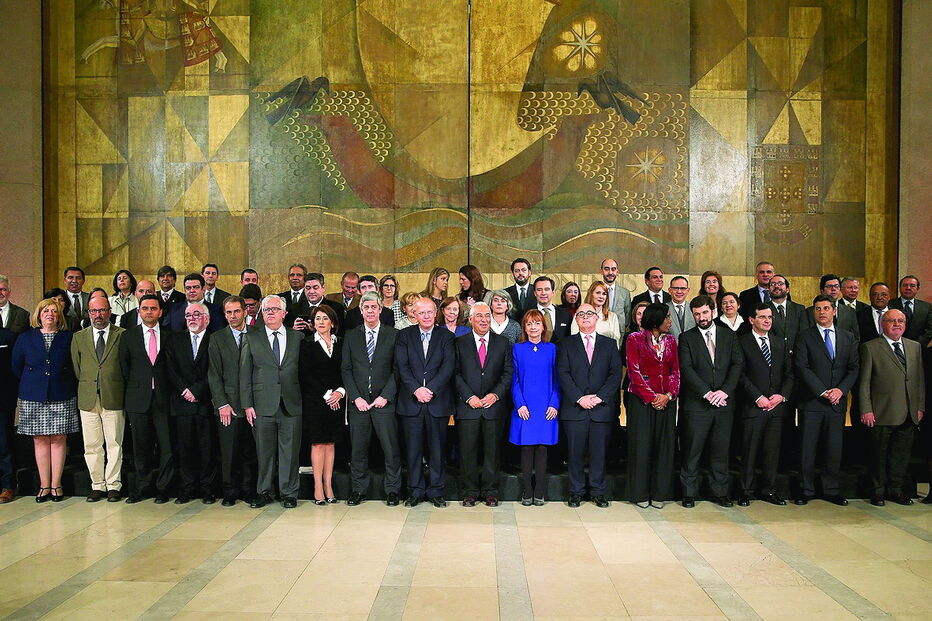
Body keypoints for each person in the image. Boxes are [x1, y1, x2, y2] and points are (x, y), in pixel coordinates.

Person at [678, 295, 744, 508]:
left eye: (705, 312)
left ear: (713, 312)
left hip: (724, 403)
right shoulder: (686, 338)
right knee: (692, 450)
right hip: (697, 405)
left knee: (720, 450)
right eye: (697, 314)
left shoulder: (729, 336)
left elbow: (737, 365)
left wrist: (724, 392)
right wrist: (707, 394)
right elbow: (687, 369)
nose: (701, 317)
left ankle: (720, 492)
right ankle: (689, 493)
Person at [794, 294, 859, 506]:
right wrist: (822, 391)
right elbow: (801, 367)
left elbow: (853, 368)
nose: (822, 312)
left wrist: (840, 390)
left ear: (834, 311)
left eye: (826, 308)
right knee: (807, 447)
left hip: (837, 403)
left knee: (833, 448)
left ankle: (831, 489)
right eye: (818, 309)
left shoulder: (847, 337)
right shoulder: (804, 336)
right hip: (812, 402)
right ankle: (806, 489)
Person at [11, 299, 78, 502]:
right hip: (33, 394)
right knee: (39, 439)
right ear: (39, 315)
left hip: (61, 393)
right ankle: (44, 485)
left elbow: (75, 365)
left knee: (58, 439)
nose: (50, 314)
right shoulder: (25, 338)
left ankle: (56, 485)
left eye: (54, 311)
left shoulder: (68, 338)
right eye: (46, 311)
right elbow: (16, 366)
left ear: (59, 316)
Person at [240, 295, 304, 509]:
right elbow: (245, 373)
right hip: (262, 404)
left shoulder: (297, 338)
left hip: (291, 403)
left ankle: (289, 493)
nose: (270, 313)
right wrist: (247, 404)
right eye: (267, 309)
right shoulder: (251, 337)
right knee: (264, 452)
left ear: (284, 314)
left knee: (290, 451)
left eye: (275, 309)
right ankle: (265, 492)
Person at [557, 303, 622, 508]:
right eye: (581, 314)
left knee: (599, 453)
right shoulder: (565, 344)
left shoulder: (609, 344)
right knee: (574, 453)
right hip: (574, 408)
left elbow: (615, 375)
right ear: (576, 319)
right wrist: (579, 398)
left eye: (590, 314)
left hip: (601, 409)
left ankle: (598, 492)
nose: (585, 317)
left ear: (597, 318)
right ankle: (575, 492)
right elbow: (563, 374)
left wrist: (599, 397)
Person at [859, 308, 925, 506]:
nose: (897, 324)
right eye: (891, 321)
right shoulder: (870, 347)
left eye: (900, 321)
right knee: (878, 455)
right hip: (881, 412)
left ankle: (895, 490)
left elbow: (919, 379)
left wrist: (920, 406)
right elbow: (864, 383)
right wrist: (866, 409)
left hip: (909, 412)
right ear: (882, 324)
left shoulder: (914, 347)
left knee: (901, 455)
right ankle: (878, 491)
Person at [341, 292, 402, 506]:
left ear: (380, 309)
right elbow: (346, 370)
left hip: (384, 403)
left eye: (373, 307)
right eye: (365, 307)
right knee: (358, 449)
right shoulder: (351, 335)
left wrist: (386, 396)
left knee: (390, 449)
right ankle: (358, 489)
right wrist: (355, 397)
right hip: (359, 404)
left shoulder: (393, 335)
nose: (369, 311)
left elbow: (397, 370)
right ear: (361, 310)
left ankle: (393, 490)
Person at [395, 298, 456, 507]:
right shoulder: (404, 336)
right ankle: (415, 490)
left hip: (437, 402)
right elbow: (402, 367)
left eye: (430, 312)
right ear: (414, 314)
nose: (427, 316)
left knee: (437, 449)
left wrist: (430, 390)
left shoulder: (446, 336)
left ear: (436, 312)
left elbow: (448, 367)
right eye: (422, 313)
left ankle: (436, 490)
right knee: (413, 450)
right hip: (411, 402)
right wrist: (416, 389)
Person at [453, 302, 514, 507]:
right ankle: (469, 491)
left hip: (493, 407)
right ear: (470, 319)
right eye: (479, 316)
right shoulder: (459, 343)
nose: (484, 320)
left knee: (492, 452)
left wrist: (495, 395)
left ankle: (490, 491)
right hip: (467, 407)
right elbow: (455, 373)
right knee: (467, 452)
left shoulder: (503, 342)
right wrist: (469, 397)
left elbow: (508, 373)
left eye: (487, 316)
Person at [119, 294, 175, 504]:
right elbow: (125, 368)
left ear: (160, 312)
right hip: (138, 398)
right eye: (145, 308)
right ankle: (143, 487)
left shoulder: (171, 336)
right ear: (139, 311)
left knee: (166, 446)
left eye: (153, 308)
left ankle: (163, 488)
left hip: (164, 398)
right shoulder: (128, 336)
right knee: (141, 446)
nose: (149, 312)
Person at [736, 304, 793, 506]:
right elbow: (740, 374)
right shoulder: (741, 342)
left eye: (769, 317)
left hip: (776, 407)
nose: (767, 320)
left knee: (772, 452)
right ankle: (746, 491)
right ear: (752, 320)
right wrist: (757, 397)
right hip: (752, 406)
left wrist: (781, 396)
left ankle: (768, 490)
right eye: (762, 317)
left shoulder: (780, 343)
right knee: (749, 451)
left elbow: (789, 373)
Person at [70, 296, 126, 502]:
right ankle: (97, 485)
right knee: (92, 445)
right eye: (94, 311)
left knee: (114, 443)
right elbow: (77, 368)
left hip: (114, 395)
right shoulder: (79, 337)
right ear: (88, 313)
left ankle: (113, 485)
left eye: (102, 310)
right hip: (88, 397)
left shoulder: (122, 335)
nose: (98, 315)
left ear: (109, 312)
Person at [625, 302, 679, 509]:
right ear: (656, 319)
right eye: (667, 317)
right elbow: (634, 371)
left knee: (663, 448)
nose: (669, 321)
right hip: (641, 402)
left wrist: (668, 395)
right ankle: (639, 493)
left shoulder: (671, 341)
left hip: (666, 402)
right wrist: (652, 397)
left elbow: (675, 371)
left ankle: (659, 493)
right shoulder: (635, 339)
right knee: (641, 447)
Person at [164, 302, 218, 504]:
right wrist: (184, 390)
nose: (192, 318)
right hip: (181, 404)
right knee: (184, 449)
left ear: (207, 318)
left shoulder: (215, 340)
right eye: (188, 315)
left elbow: (215, 371)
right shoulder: (175, 340)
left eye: (197, 314)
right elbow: (170, 369)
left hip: (206, 403)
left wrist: (197, 391)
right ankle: (186, 488)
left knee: (207, 449)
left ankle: (207, 489)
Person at [207, 295, 258, 506]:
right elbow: (213, 374)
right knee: (229, 451)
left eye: (236, 311)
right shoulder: (217, 338)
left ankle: (249, 490)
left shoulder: (257, 334)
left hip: (253, 405)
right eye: (228, 312)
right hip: (228, 405)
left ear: (245, 311)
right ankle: (230, 491)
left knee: (250, 451)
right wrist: (222, 404)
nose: (233, 316)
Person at [510, 310, 560, 505]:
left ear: (543, 327)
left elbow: (558, 380)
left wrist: (554, 403)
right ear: (524, 327)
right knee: (527, 447)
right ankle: (527, 490)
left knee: (541, 448)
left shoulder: (552, 349)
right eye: (529, 324)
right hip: (524, 406)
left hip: (546, 406)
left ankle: (539, 490)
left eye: (537, 324)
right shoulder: (517, 349)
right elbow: (514, 380)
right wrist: (519, 404)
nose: (533, 328)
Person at [300, 305, 345, 505]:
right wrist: (327, 394)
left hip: (337, 400)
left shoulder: (341, 344)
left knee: (331, 442)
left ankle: (329, 485)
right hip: (316, 401)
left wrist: (340, 392)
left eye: (324, 318)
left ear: (332, 323)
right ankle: (318, 487)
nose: (320, 322)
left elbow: (346, 370)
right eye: (317, 318)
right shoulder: (307, 344)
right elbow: (305, 375)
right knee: (318, 442)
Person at [806, 274, 859, 339]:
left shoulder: (849, 311)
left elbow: (855, 337)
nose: (833, 289)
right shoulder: (809, 312)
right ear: (822, 290)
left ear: (840, 289)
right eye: (829, 286)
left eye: (836, 286)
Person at [571, 281, 621, 346]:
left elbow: (616, 343)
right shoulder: (579, 314)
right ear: (591, 294)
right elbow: (574, 338)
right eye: (598, 293)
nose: (601, 296)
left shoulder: (612, 317)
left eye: (604, 294)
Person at [889, 275, 932, 347]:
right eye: (905, 285)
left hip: (919, 349)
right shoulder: (889, 305)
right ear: (900, 288)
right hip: (893, 347)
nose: (908, 288)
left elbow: (930, 330)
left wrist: (916, 345)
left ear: (917, 288)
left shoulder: (927, 307)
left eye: (912, 285)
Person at [0, 325, 18, 502]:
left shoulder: (9, 337)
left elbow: (15, 367)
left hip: (3, 399)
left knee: (4, 443)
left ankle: (8, 485)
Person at [767, 275, 805, 353]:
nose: (776, 286)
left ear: (788, 289)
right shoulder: (763, 309)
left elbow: (803, 335)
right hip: (773, 356)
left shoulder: (799, 309)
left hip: (796, 356)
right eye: (773, 284)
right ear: (768, 289)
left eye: (780, 283)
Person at [534, 276, 571, 342]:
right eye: (539, 290)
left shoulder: (565, 314)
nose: (543, 293)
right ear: (535, 293)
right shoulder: (527, 314)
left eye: (547, 289)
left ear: (553, 292)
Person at [600, 258, 632, 330]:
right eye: (606, 269)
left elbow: (628, 315)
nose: (610, 272)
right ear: (601, 271)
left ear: (617, 272)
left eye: (613, 269)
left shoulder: (625, 293)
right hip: (600, 331)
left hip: (619, 332)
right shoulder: (595, 291)